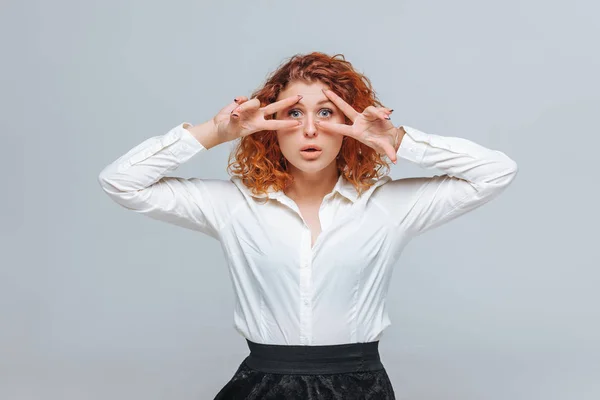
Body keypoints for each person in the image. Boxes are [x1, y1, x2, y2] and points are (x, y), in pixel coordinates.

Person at [98, 51, 518, 399]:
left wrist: (395, 139)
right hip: (262, 386)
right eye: (294, 113)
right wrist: (216, 131)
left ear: (349, 126)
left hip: (360, 387)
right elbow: (120, 182)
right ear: (271, 126)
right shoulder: (233, 206)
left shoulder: (388, 206)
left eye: (327, 112)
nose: (311, 129)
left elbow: (496, 172)